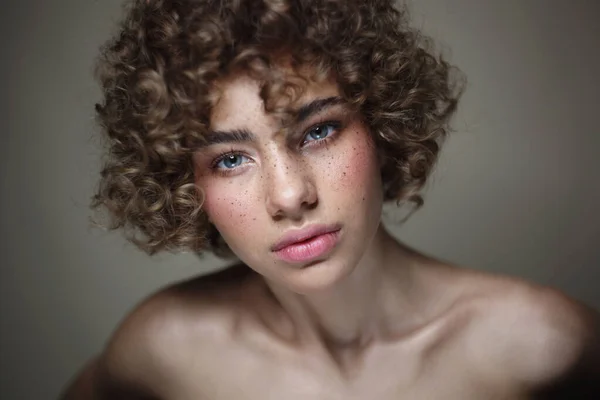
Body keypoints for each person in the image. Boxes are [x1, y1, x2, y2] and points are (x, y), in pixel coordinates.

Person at [61, 0, 599, 398]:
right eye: (228, 160)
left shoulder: (544, 348)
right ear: (183, 185)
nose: (291, 195)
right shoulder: (165, 350)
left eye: (318, 131)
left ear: (381, 123)